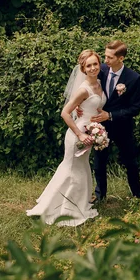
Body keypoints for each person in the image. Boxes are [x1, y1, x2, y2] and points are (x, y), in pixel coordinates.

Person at [26, 49, 105, 226]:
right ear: (83, 69)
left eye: (95, 64)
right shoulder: (83, 89)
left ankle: (78, 203)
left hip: (91, 132)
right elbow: (65, 113)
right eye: (89, 65)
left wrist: (96, 128)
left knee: (82, 168)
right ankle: (61, 209)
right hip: (78, 134)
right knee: (71, 169)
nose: (93, 68)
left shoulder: (99, 83)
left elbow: (95, 106)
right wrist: (80, 133)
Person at [90, 40, 140, 202]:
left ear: (121, 58)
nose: (105, 61)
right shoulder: (102, 70)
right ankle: (100, 196)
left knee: (130, 162)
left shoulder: (133, 78)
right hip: (100, 126)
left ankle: (137, 195)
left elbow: (135, 108)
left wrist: (111, 115)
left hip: (122, 127)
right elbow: (88, 87)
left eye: (109, 57)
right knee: (99, 162)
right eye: (105, 56)